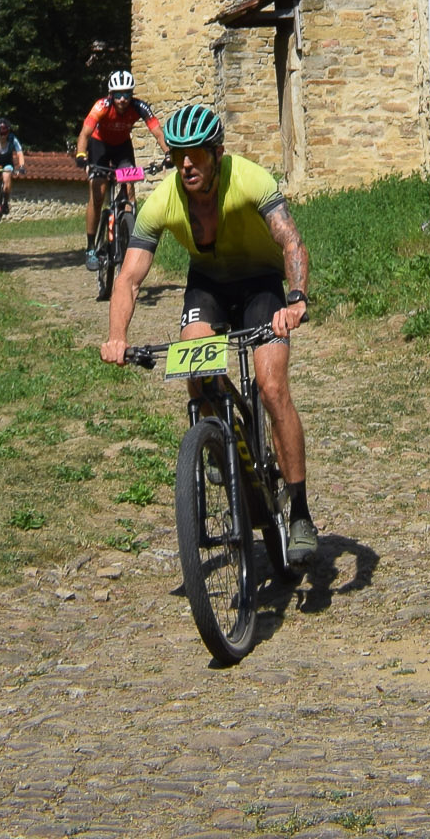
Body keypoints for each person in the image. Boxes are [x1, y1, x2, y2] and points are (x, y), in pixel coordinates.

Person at [100, 99, 319, 568]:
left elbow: (290, 241)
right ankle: (218, 442)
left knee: (272, 387)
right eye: (178, 154)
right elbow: (129, 278)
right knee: (196, 370)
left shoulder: (251, 180)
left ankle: (299, 510)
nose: (185, 164)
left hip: (260, 284)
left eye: (195, 154)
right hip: (209, 286)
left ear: (217, 153)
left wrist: (296, 298)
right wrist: (117, 336)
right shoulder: (163, 201)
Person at [75, 71, 166, 266]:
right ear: (111, 94)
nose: (122, 99)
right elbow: (85, 133)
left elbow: (158, 132)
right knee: (98, 194)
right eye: (118, 94)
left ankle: (128, 233)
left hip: (122, 148)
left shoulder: (139, 107)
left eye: (127, 94)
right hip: (99, 146)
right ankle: (90, 247)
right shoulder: (102, 106)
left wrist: (169, 154)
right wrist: (81, 155)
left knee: (129, 188)